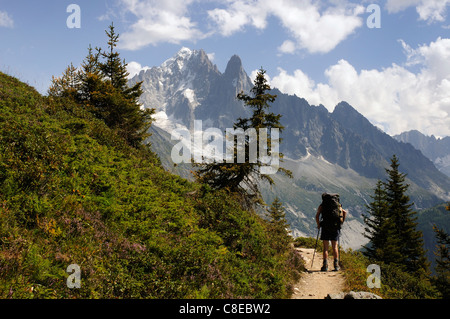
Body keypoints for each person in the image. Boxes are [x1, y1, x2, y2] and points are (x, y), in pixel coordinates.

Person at [315, 193, 347, 272]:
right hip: (335, 227)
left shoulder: (322, 205)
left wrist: (319, 225)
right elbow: (344, 212)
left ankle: (325, 266)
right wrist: (341, 223)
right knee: (334, 247)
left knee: (325, 247)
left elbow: (317, 216)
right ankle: (336, 265)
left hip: (325, 227)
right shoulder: (338, 205)